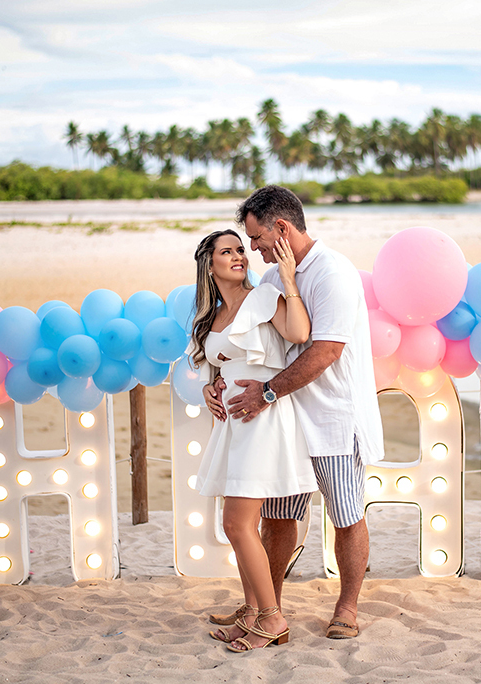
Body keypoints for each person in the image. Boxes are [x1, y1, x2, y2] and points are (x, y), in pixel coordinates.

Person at [206, 185, 384, 639]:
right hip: (285, 422)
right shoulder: (270, 281)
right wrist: (214, 383)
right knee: (279, 516)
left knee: (345, 514)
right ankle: (267, 608)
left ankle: (346, 608)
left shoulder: (333, 273)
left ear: (281, 228)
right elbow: (248, 341)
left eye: (259, 240)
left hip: (332, 418)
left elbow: (325, 350)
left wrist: (267, 392)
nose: (257, 252)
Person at [190, 228, 316, 653]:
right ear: (210, 265)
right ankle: (250, 612)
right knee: (238, 524)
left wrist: (290, 280)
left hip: (261, 419)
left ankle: (272, 617)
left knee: (236, 523)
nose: (239, 255)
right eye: (227, 251)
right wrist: (211, 386)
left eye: (241, 248)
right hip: (232, 425)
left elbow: (299, 334)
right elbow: (219, 363)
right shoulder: (212, 318)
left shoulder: (263, 296)